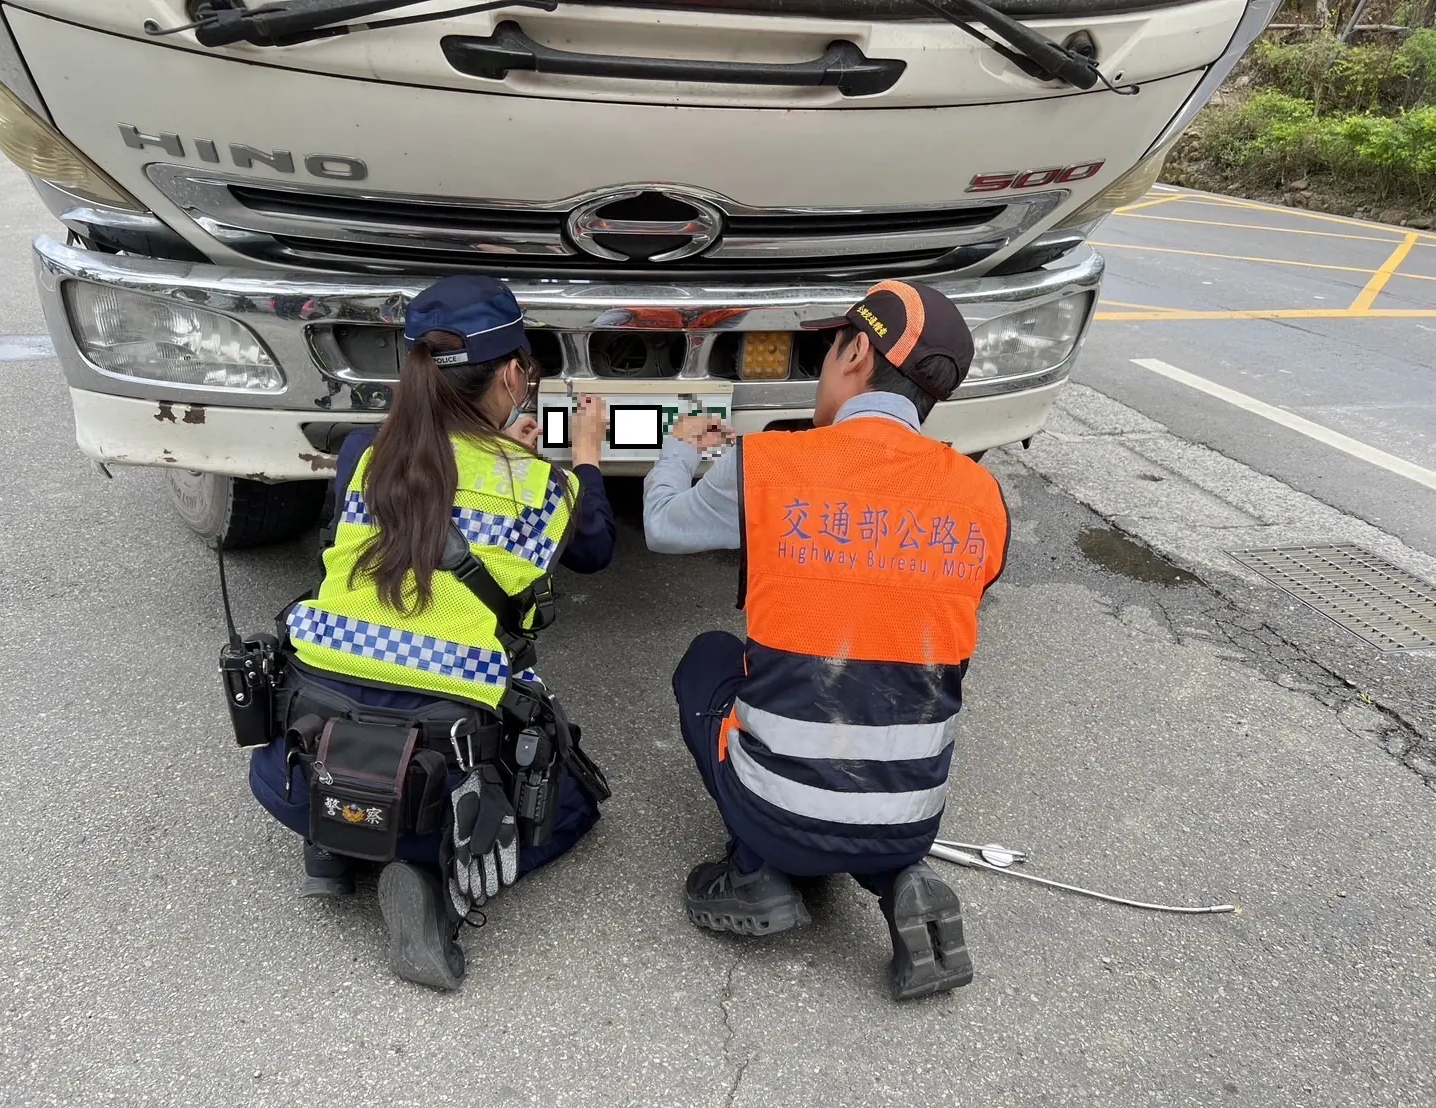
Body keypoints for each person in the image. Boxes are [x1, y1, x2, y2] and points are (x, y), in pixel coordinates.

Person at [643, 280, 1010, 1002]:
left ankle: (757, 870)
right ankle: (898, 877)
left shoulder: (765, 466)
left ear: (852, 353)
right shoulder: (980, 497)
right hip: (911, 822)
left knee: (708, 659)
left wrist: (678, 451)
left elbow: (662, 526)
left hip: (778, 817)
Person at [248, 274, 612, 991]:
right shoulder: (539, 484)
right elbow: (596, 551)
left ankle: (335, 843)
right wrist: (587, 458)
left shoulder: (363, 452)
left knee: (361, 703)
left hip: (293, 773)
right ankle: (432, 881)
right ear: (512, 374)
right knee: (577, 808)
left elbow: (430, 485)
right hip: (445, 771)